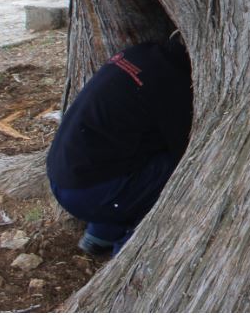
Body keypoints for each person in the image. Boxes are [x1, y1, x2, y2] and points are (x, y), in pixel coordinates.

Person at [46, 34, 193, 255]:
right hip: (89, 191)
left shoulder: (142, 53)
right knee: (182, 169)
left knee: (137, 153)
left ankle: (101, 233)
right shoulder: (172, 85)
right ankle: (129, 252)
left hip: (62, 176)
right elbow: (185, 150)